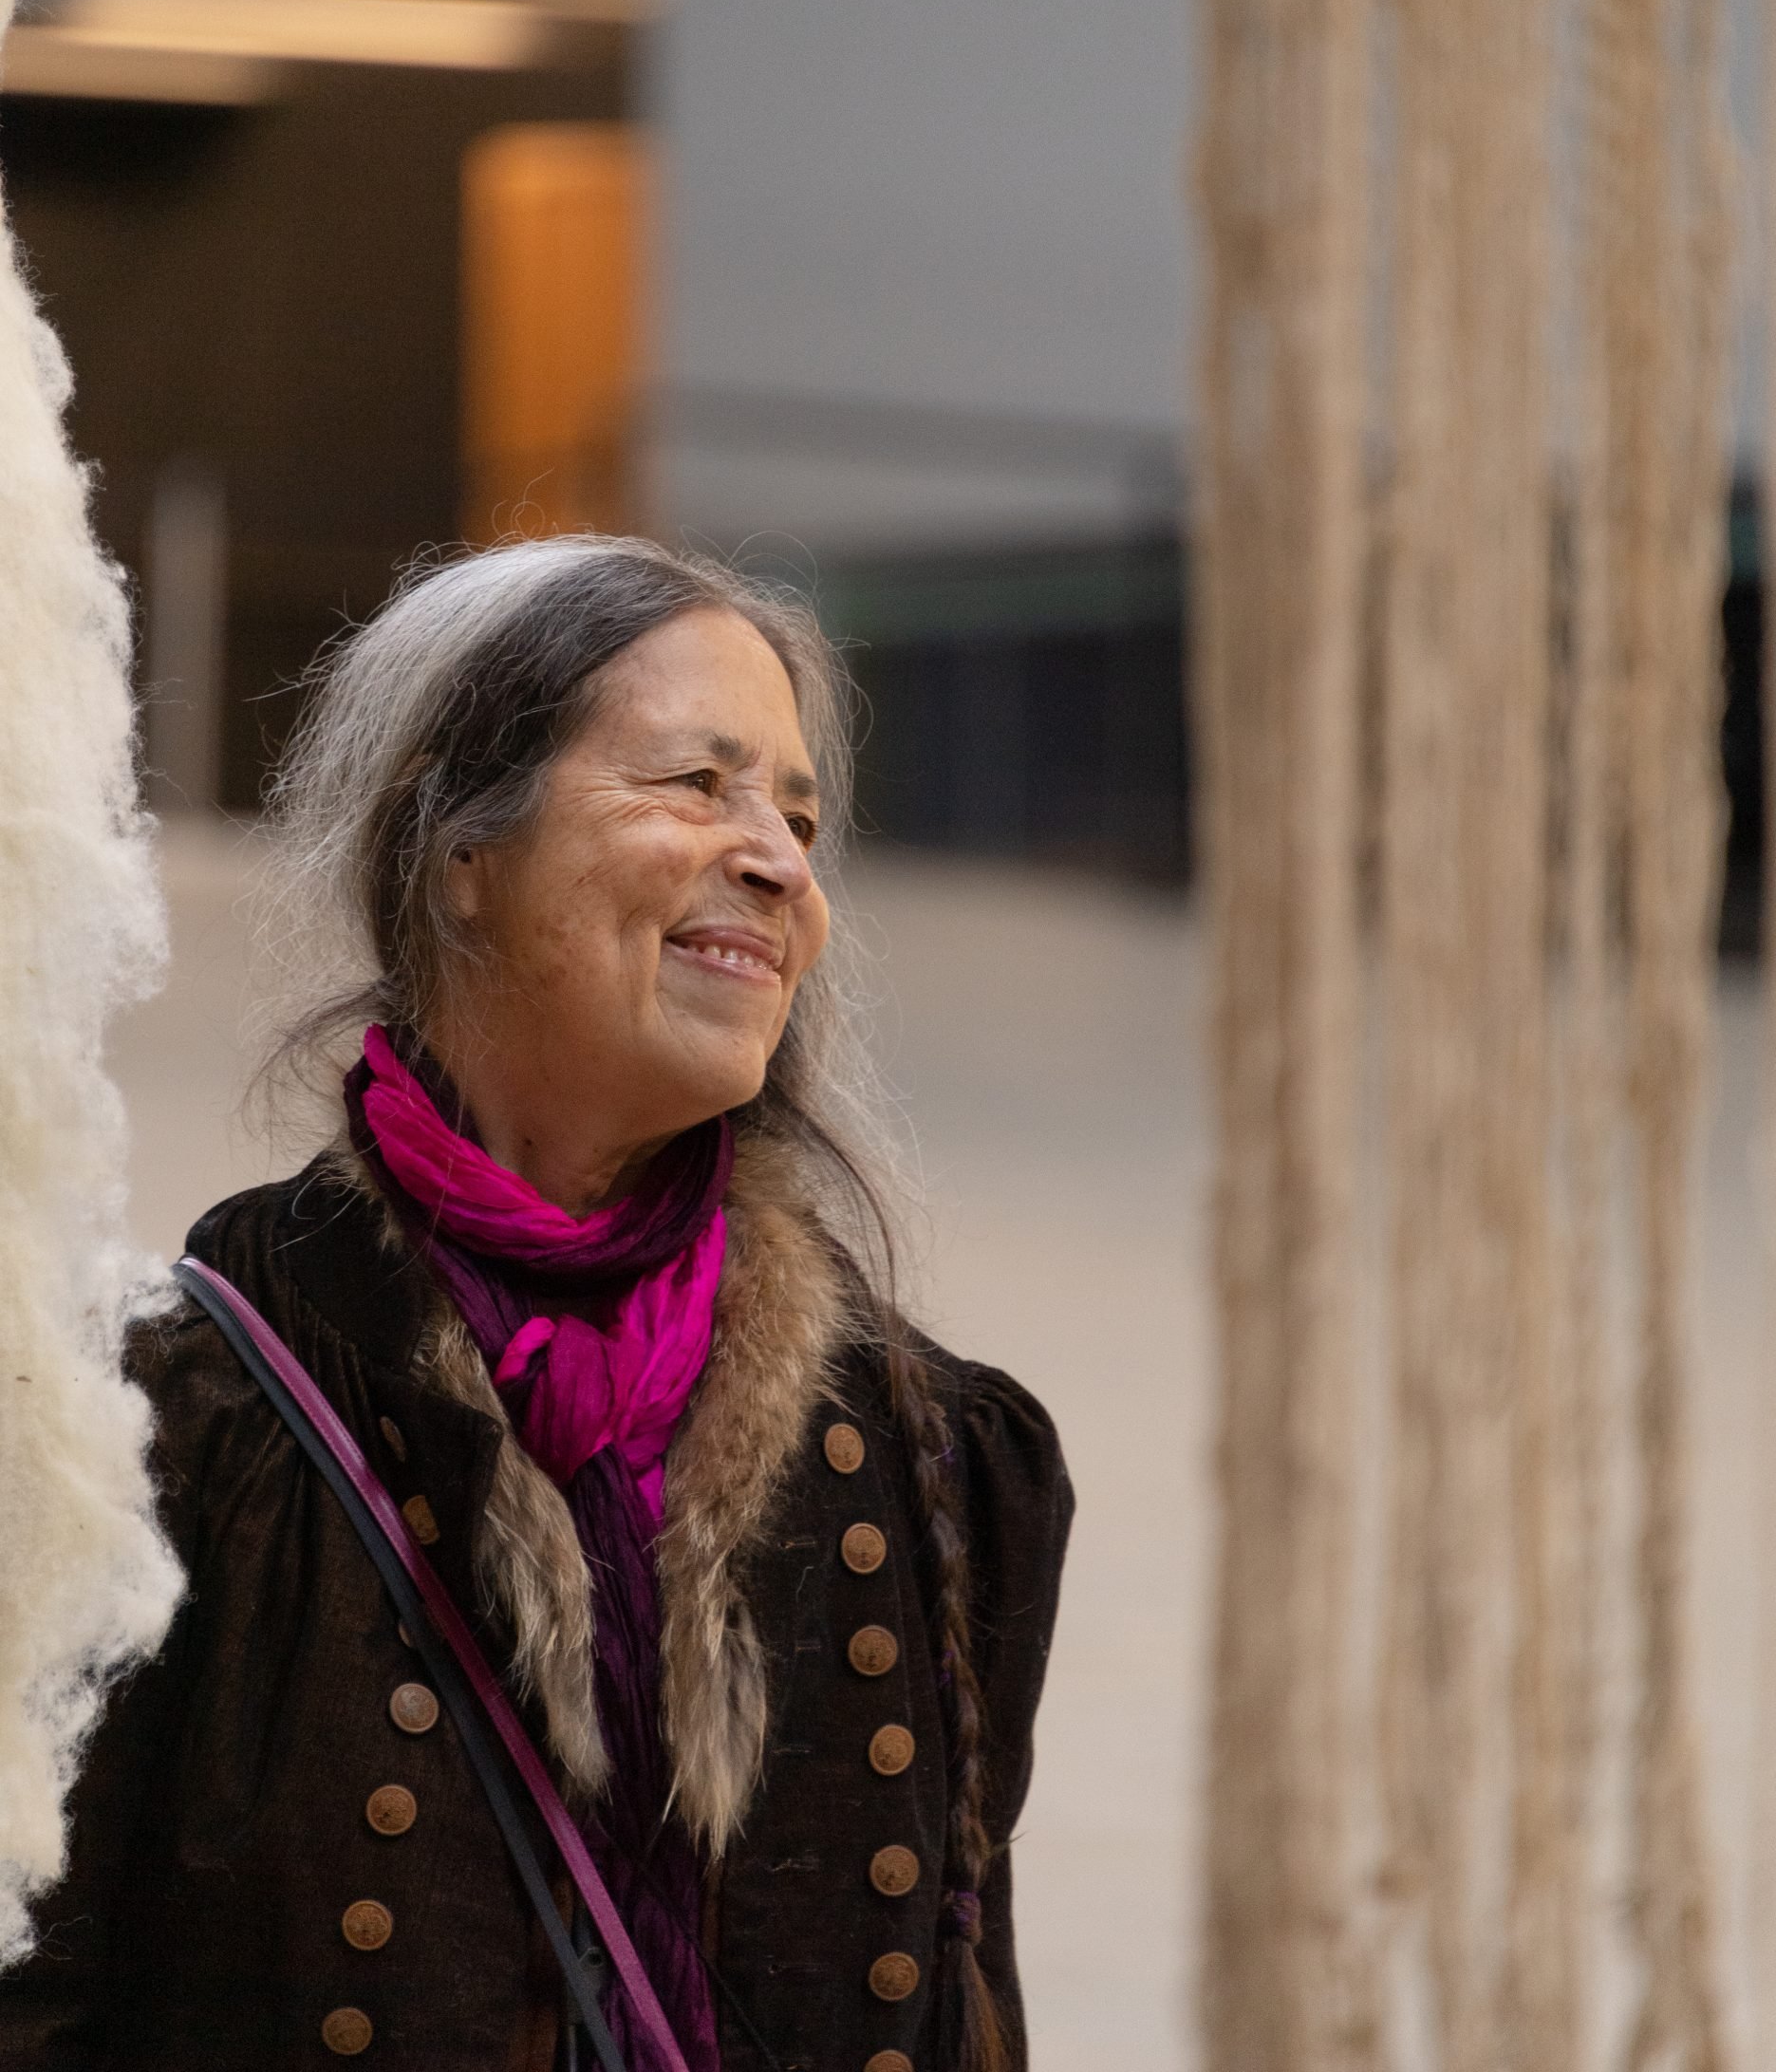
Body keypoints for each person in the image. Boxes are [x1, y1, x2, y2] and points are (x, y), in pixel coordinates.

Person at [0, 536, 1073, 2072]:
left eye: (799, 813)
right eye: (695, 786)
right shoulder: (164, 1434)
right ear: (459, 850)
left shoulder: (930, 1458)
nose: (777, 859)